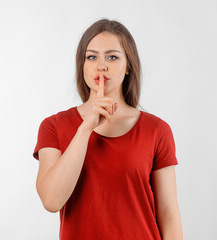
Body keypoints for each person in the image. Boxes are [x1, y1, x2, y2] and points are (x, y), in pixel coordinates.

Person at [33, 18, 183, 240]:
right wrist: (86, 128)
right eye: (92, 57)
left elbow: (169, 214)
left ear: (128, 66)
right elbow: (52, 201)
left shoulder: (157, 130)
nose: (101, 65)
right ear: (82, 66)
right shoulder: (54, 126)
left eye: (112, 57)